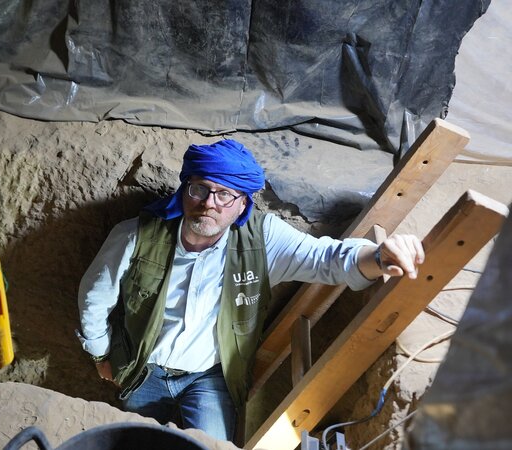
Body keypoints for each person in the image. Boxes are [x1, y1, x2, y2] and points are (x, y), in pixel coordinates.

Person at [76, 139, 425, 442]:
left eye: (225, 194)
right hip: (144, 369)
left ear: (243, 203)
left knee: (214, 447)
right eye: (199, 188)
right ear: (186, 189)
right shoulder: (136, 236)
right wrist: (100, 354)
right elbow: (95, 295)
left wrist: (378, 256)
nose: (209, 202)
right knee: (135, 445)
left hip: (209, 376)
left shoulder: (263, 240)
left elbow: (326, 258)